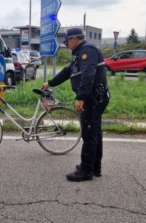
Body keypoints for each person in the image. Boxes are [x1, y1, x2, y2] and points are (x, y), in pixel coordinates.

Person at [42, 28, 110, 182]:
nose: (66, 45)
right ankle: (94, 167)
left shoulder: (87, 51)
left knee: (89, 134)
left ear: (74, 39)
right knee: (95, 133)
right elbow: (68, 72)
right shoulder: (79, 54)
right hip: (95, 97)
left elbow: (88, 75)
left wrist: (81, 98)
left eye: (66, 41)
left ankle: (86, 171)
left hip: (92, 99)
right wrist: (51, 83)